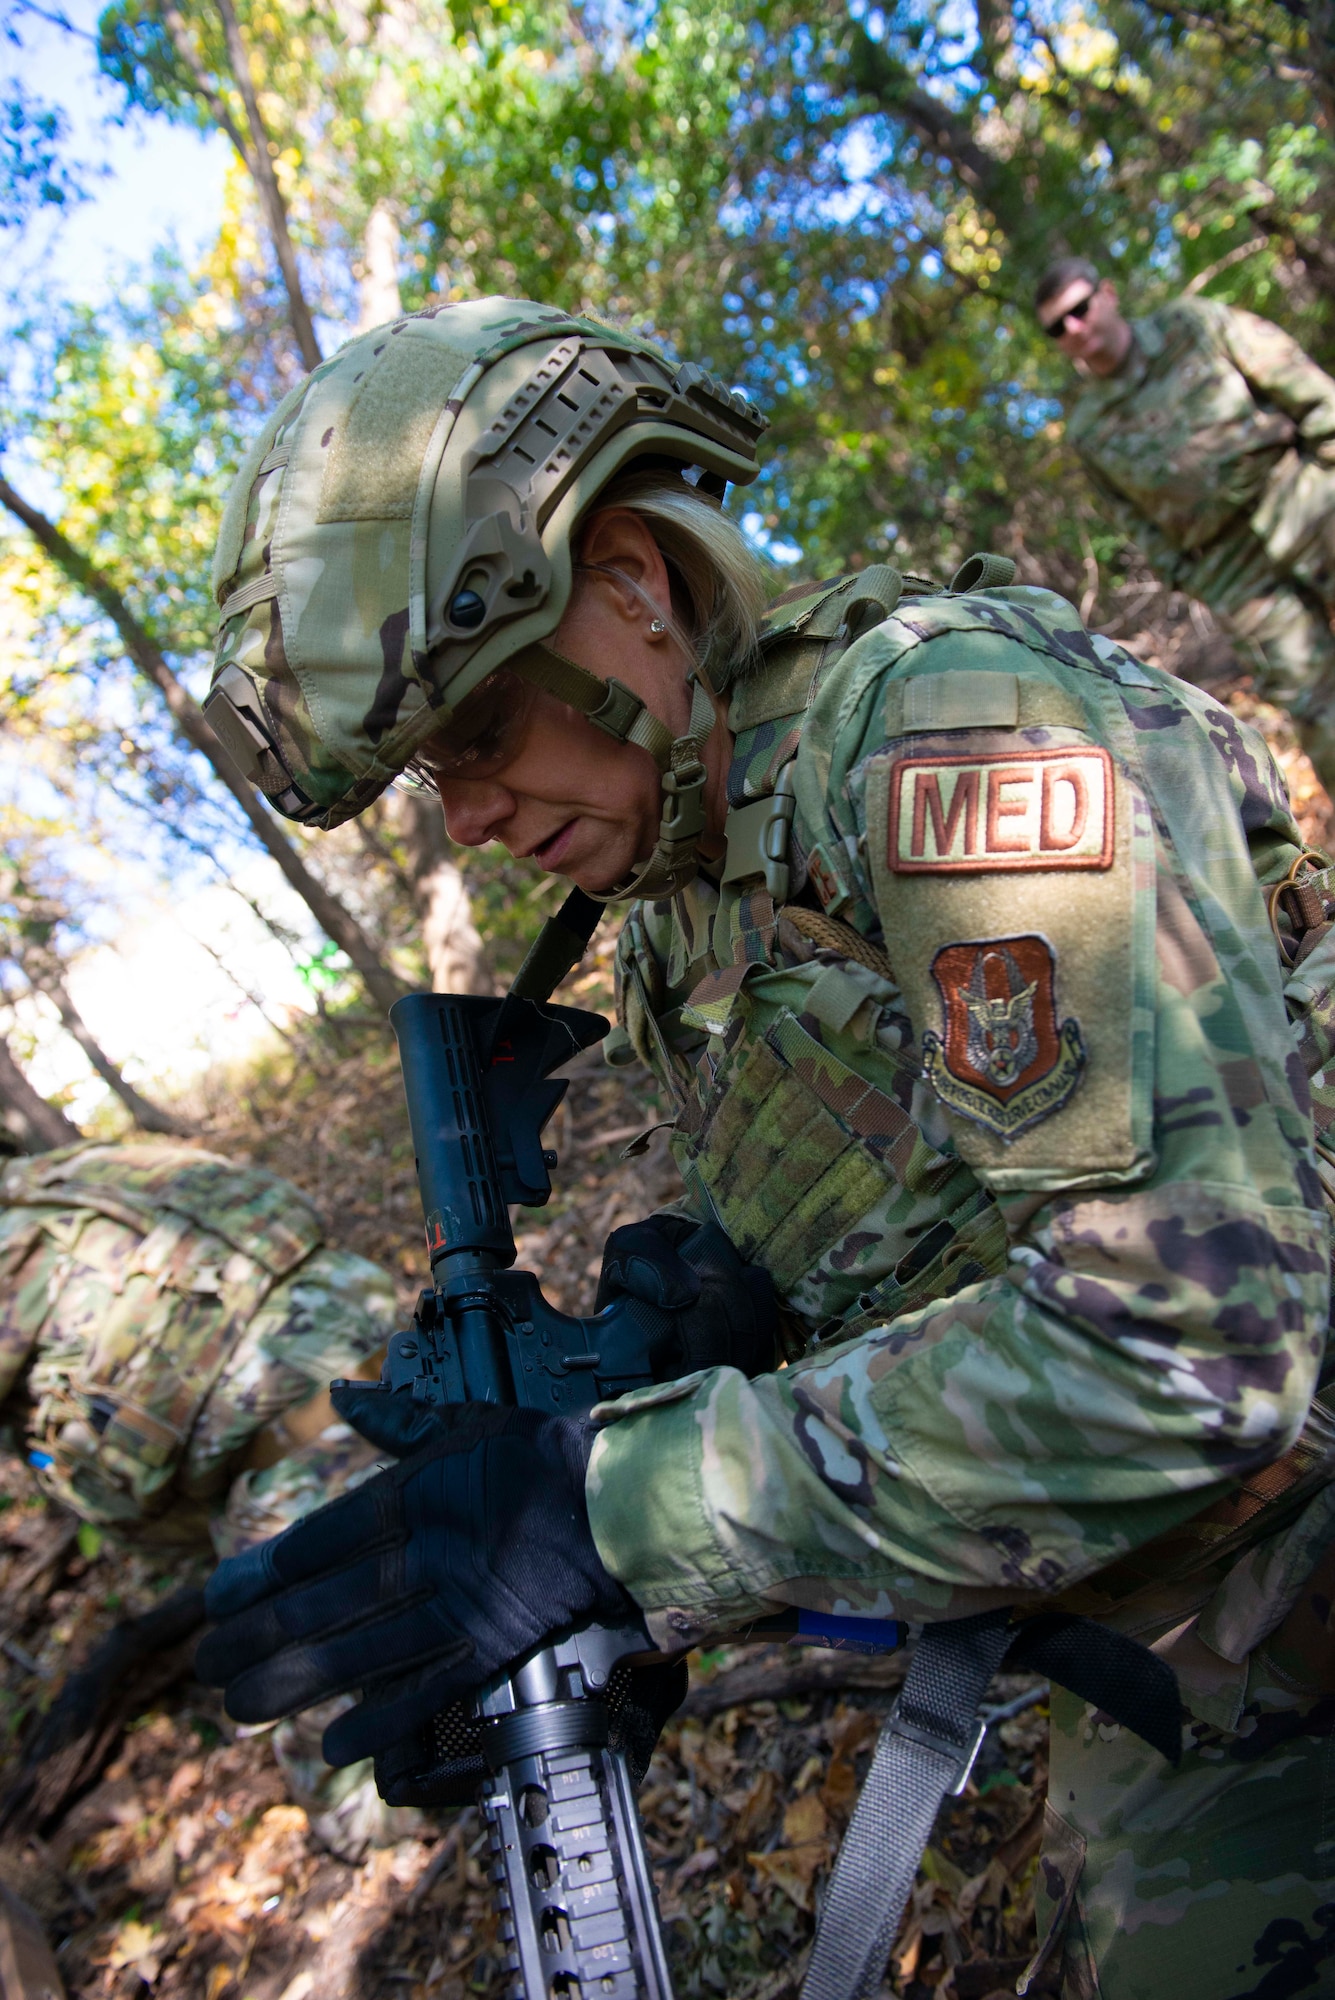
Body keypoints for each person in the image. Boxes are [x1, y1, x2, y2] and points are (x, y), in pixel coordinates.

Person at [195, 297, 1335, 1997]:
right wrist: (682, 1360)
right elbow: (905, 1244)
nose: (475, 818)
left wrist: (618, 1519)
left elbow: (1193, 1344)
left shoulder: (947, 741)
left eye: (478, 739)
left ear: (636, 585)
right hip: (1169, 1574)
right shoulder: (677, 920)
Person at [0, 1138, 418, 1857]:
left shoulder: (24, 1230)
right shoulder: (68, 1175)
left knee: (315, 1721)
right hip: (391, 1344)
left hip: (294, 1452)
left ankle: (395, 1833)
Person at [1037, 254, 1335, 796]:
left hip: (1304, 498)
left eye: (1079, 309)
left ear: (1107, 293)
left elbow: (1296, 378)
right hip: (1234, 573)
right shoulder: (1087, 430)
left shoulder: (1190, 325)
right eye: (1058, 327)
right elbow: (1131, 516)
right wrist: (1187, 574)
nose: (1074, 329)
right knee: (1319, 710)